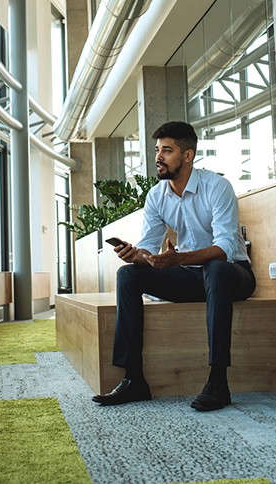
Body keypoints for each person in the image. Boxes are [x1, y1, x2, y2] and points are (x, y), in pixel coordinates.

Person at [92, 121, 255, 411]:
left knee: (215, 268)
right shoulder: (156, 196)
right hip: (191, 277)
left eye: (167, 150)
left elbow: (225, 249)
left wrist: (177, 259)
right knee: (128, 275)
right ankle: (134, 379)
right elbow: (149, 247)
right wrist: (136, 256)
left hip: (233, 276)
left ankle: (218, 381)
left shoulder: (217, 187)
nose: (158, 157)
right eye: (157, 150)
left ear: (188, 155)